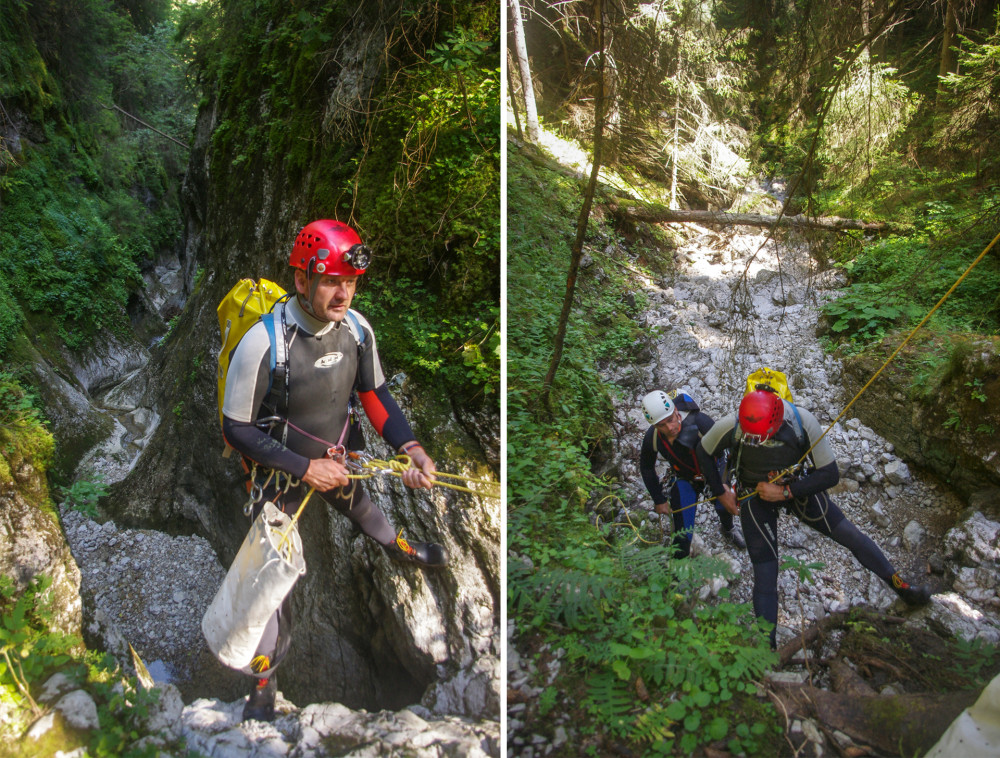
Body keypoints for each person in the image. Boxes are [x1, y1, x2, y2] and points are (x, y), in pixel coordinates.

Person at [220, 219, 448, 721]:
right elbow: (235, 428)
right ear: (301, 280)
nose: (342, 292)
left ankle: (400, 548)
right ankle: (263, 681)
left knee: (364, 509)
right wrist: (304, 468)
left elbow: (375, 394)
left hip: (335, 457)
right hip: (279, 472)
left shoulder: (357, 331)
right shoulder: (263, 343)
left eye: (350, 282)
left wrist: (410, 446)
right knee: (270, 578)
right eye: (330, 281)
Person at [694, 387, 932, 648]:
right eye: (752, 439)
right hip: (754, 494)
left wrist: (785, 492)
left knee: (849, 535)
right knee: (765, 570)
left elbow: (829, 474)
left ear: (776, 422)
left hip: (794, 486)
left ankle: (902, 587)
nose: (757, 442)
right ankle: (766, 650)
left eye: (762, 437)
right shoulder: (732, 425)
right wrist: (720, 492)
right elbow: (703, 451)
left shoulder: (801, 421)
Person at [639, 390, 745, 558]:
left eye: (670, 420)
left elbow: (726, 448)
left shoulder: (700, 423)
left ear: (675, 411)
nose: (670, 428)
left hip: (714, 469)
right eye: (661, 425)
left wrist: (726, 480)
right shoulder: (653, 437)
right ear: (654, 426)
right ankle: (679, 568)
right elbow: (646, 467)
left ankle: (727, 527)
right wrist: (658, 499)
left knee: (724, 506)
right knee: (683, 531)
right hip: (684, 477)